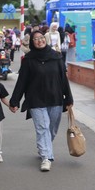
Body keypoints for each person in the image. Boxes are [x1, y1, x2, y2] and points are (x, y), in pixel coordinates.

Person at [9, 30, 73, 172]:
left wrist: (68, 98)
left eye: (41, 38)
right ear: (32, 42)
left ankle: (44, 147)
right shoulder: (28, 60)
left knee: (52, 129)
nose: (39, 41)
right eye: (36, 39)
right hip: (35, 99)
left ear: (45, 39)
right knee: (43, 127)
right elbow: (22, 82)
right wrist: (15, 101)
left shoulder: (56, 57)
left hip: (55, 98)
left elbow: (63, 79)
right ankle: (46, 157)